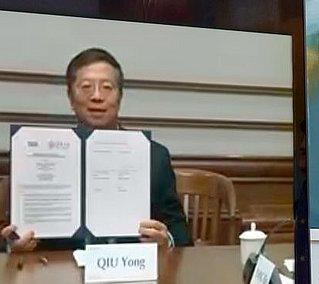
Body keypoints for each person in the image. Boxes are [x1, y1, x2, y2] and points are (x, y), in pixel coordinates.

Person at [1, 47, 190, 250]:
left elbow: (180, 233)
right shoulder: (36, 155)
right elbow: (9, 237)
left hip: (131, 269)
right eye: (86, 87)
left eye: (107, 87)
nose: (97, 96)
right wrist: (13, 245)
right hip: (58, 270)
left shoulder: (154, 155)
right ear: (71, 98)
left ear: (120, 97)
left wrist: (165, 240)